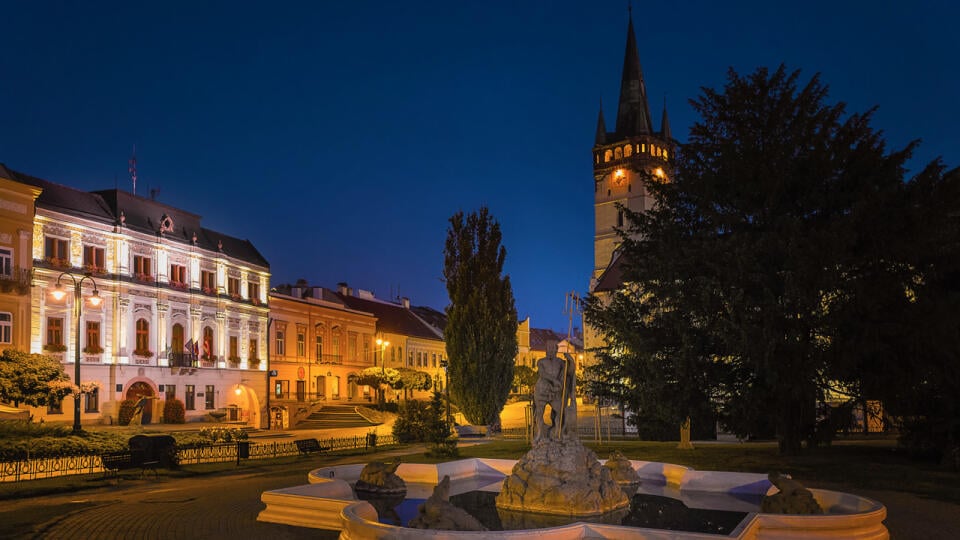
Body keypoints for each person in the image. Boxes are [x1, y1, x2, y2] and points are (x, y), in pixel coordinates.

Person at [533, 341, 570, 442]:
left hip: (555, 391)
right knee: (539, 413)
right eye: (547, 348)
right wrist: (554, 380)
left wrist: (570, 359)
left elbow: (569, 372)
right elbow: (542, 373)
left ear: (556, 349)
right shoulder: (541, 361)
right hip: (542, 390)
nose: (549, 350)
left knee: (560, 411)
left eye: (551, 348)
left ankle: (558, 431)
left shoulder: (561, 362)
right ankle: (540, 434)